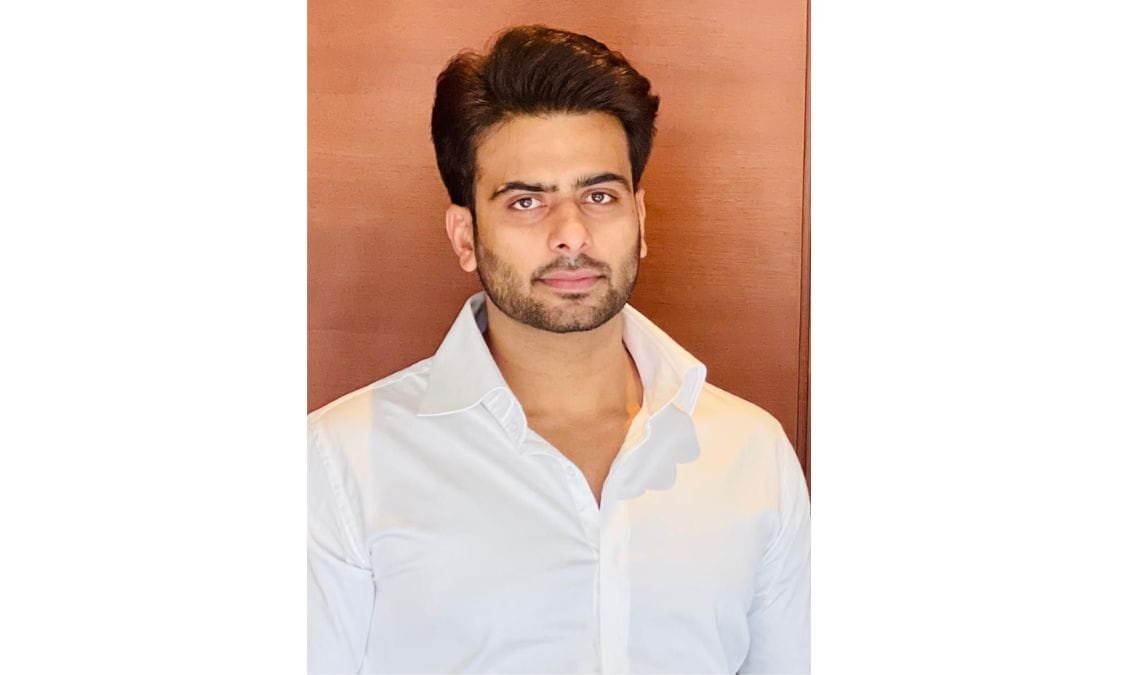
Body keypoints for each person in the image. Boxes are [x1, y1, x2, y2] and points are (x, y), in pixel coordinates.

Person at [308, 24, 810, 674]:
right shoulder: (342, 461)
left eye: (599, 196)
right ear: (464, 236)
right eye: (526, 201)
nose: (571, 234)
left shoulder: (750, 452)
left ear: (640, 220)